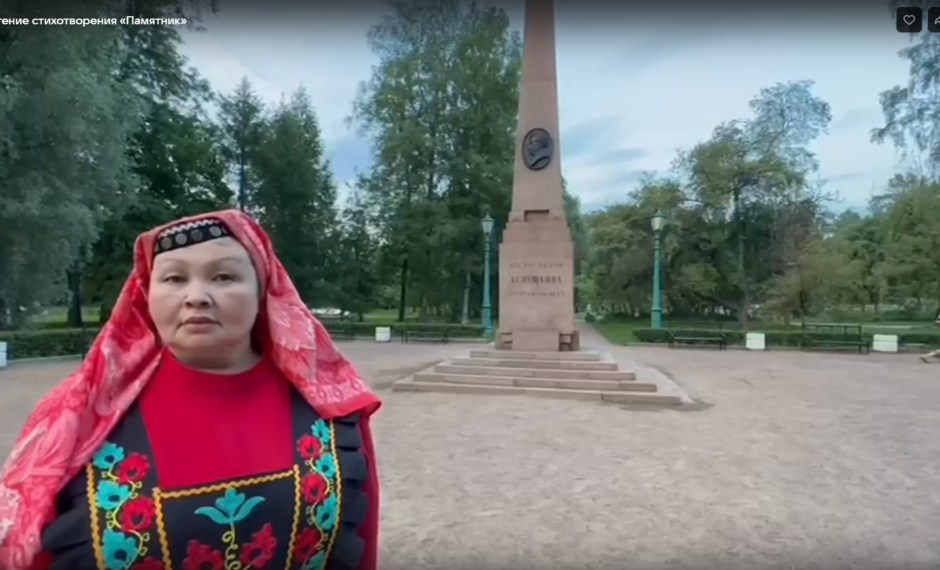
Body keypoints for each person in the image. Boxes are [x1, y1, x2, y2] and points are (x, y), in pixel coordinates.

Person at [0, 210, 382, 570]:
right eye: (174, 278)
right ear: (146, 295)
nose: (197, 296)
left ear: (262, 290)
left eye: (224, 277)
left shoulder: (330, 408)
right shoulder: (73, 416)